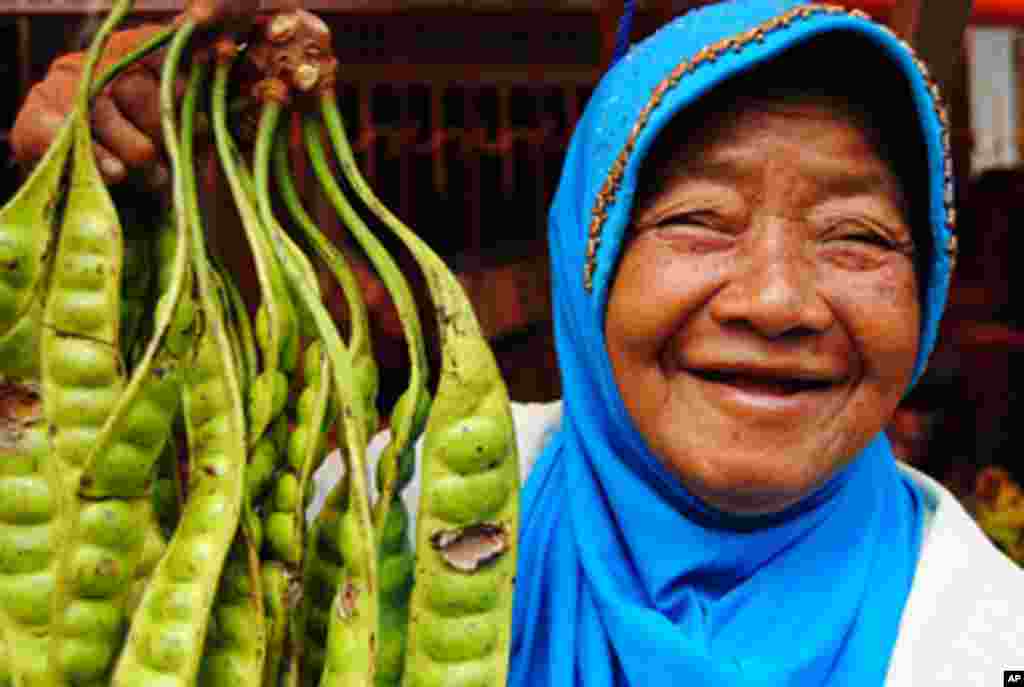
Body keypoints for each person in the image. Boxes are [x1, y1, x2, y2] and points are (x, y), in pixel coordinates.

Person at [11, 0, 1024, 684]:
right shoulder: (384, 515)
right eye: (695, 221)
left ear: (925, 290)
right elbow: (119, 575)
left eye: (856, 237)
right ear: (586, 266)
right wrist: (118, 209)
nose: (774, 300)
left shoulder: (993, 636)